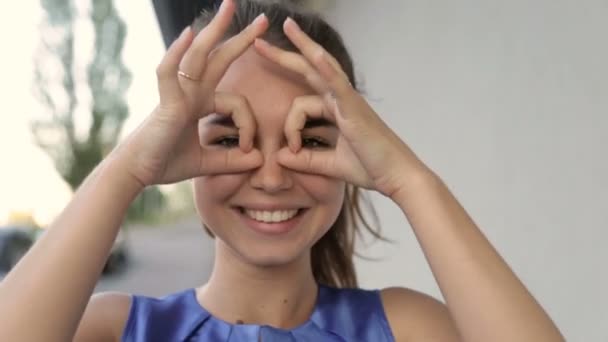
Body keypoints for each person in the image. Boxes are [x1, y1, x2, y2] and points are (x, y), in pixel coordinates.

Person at [0, 0, 565, 341]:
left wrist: (409, 181)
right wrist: (127, 170)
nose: (271, 177)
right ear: (181, 151)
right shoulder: (115, 329)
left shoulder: (405, 328)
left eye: (309, 140)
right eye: (231, 138)